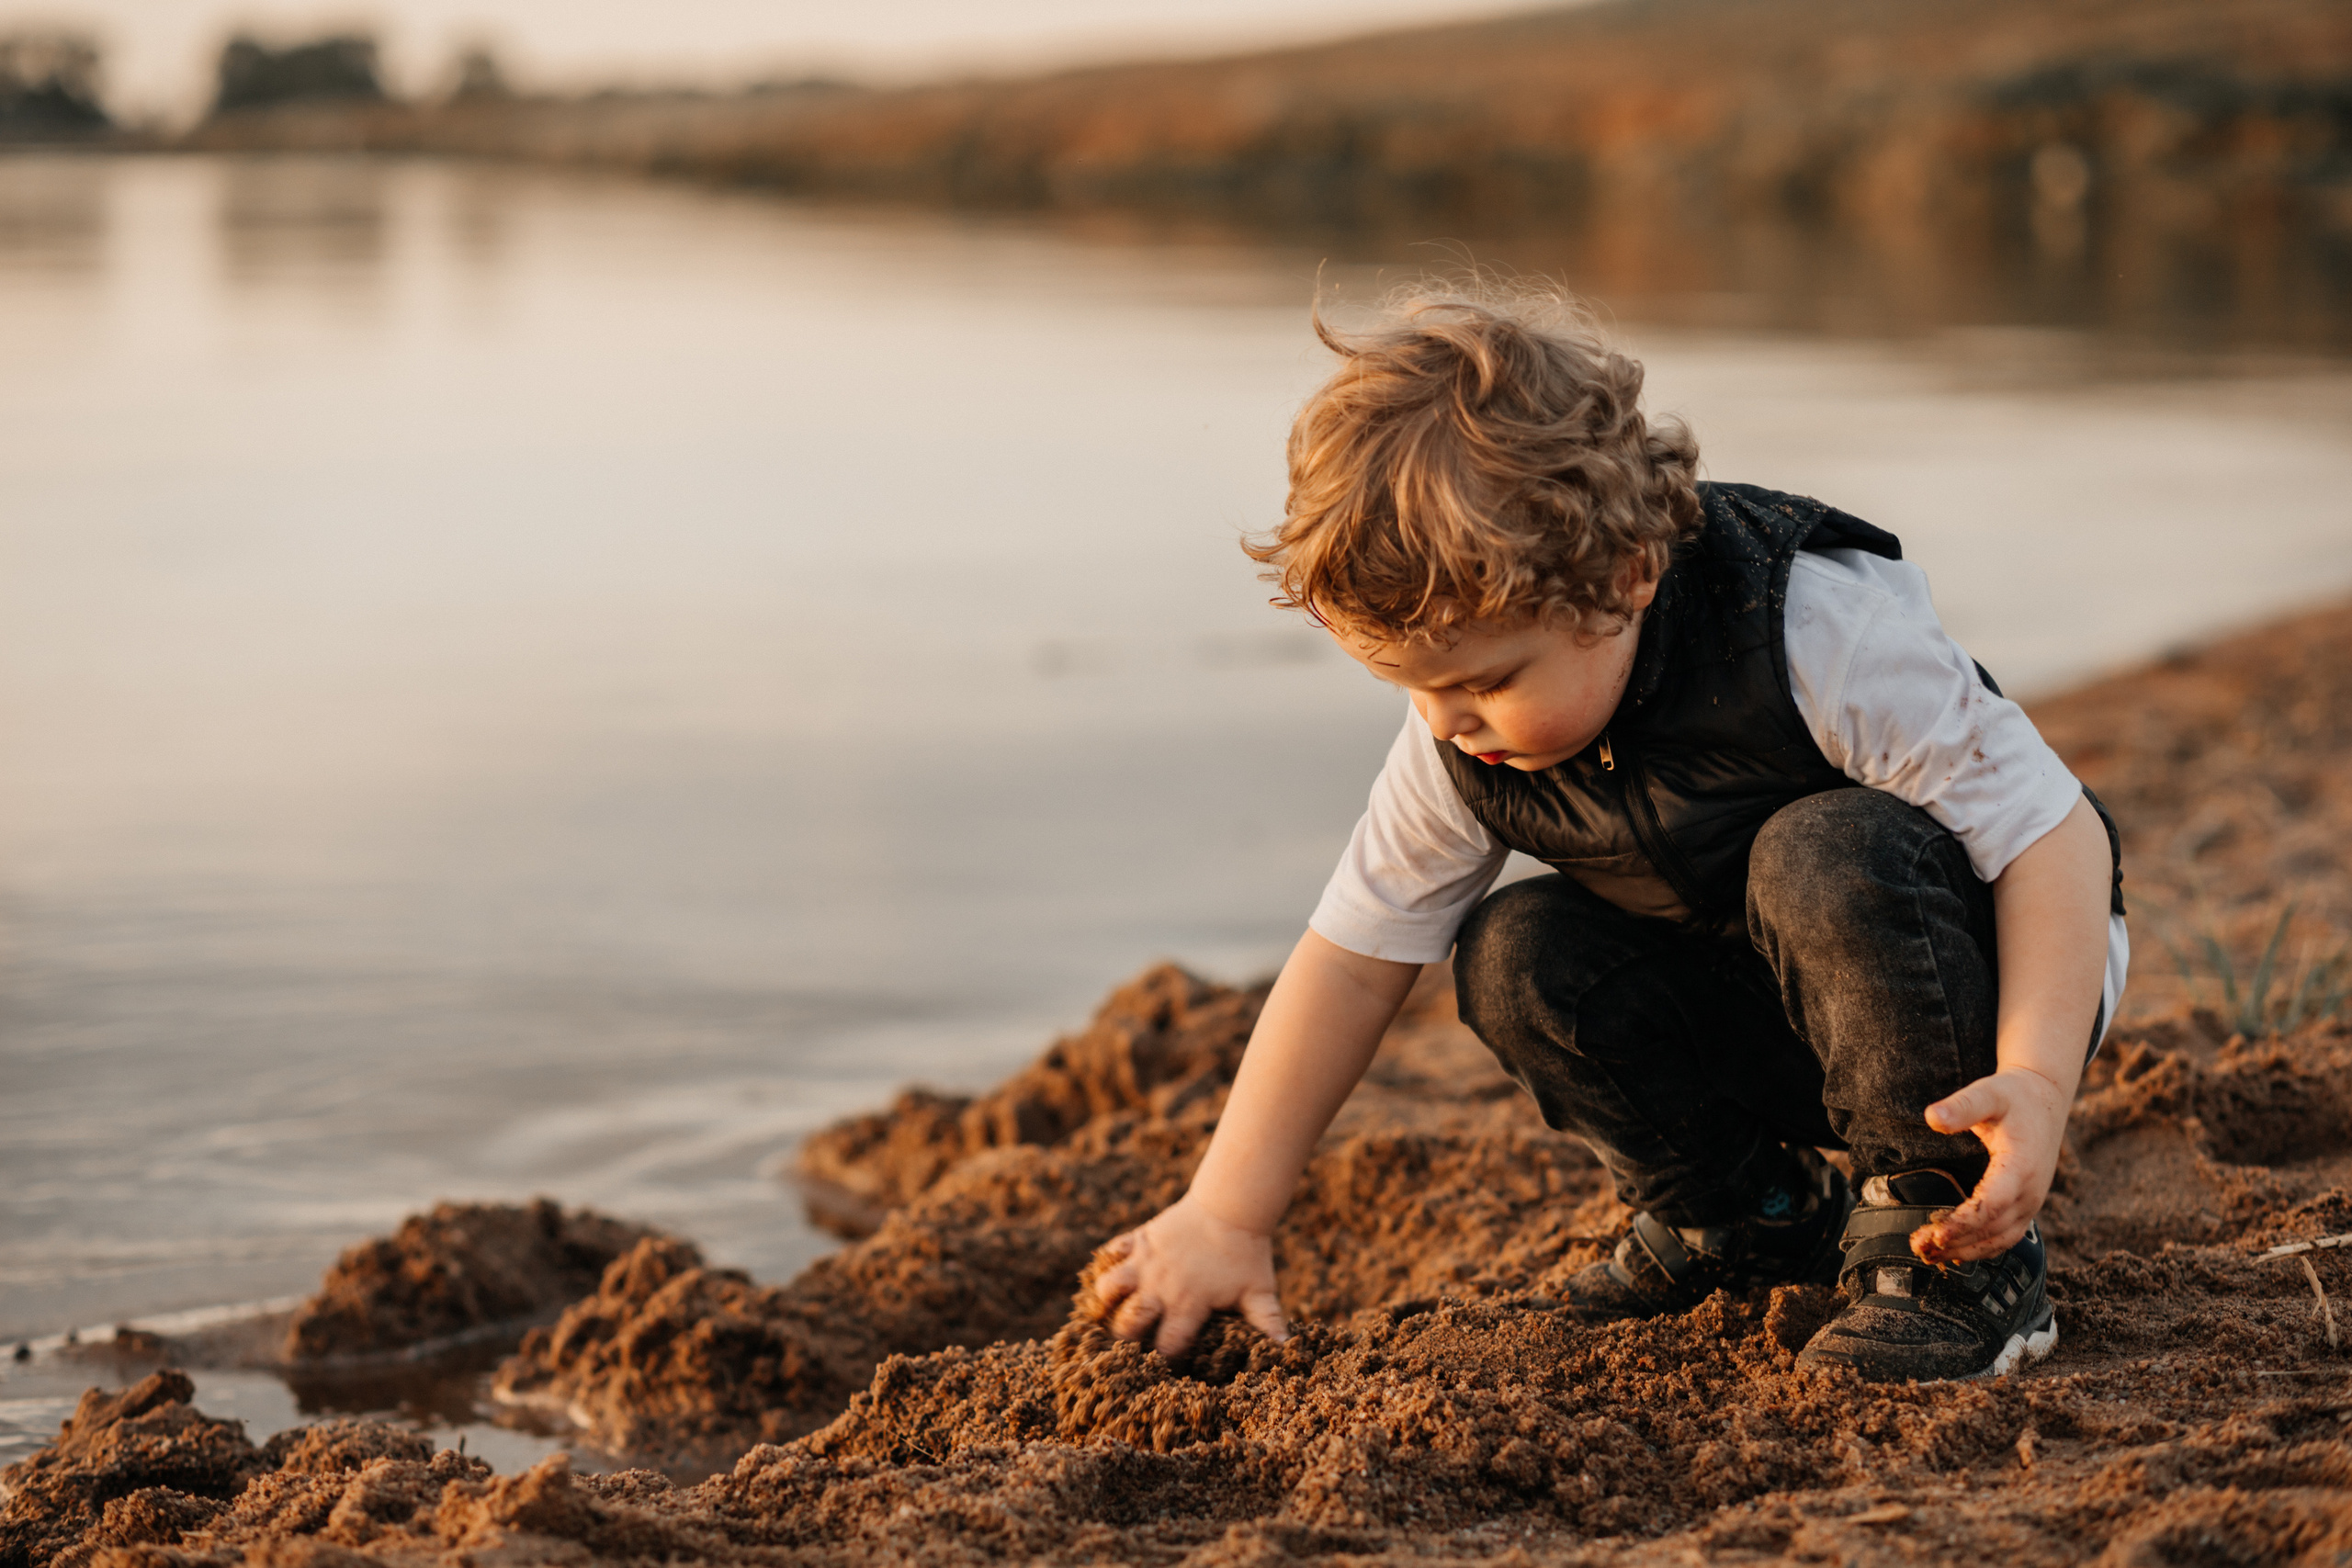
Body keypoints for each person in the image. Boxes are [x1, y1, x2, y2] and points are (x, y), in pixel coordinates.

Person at [1092, 286, 2127, 1384]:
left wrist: (2038, 1078)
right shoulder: (1460, 740)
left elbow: (2052, 838)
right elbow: (1349, 963)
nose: (1447, 723)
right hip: (1771, 1011)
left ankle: (1954, 1251)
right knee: (1515, 950)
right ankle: (1745, 1216)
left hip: (1972, 997)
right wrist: (1225, 1211)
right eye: (1413, 687)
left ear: (1627, 577)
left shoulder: (1814, 627)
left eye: (1486, 680)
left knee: (1820, 851)